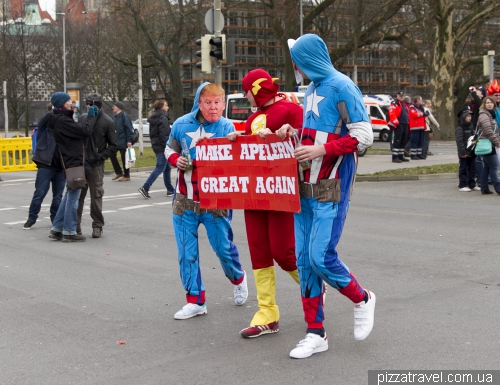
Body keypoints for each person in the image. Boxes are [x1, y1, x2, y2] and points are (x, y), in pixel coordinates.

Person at [277, 34, 375, 359]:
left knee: (320, 257)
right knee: (304, 262)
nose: (293, 65)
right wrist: (292, 134)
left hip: (331, 186)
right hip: (303, 186)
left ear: (307, 57)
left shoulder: (342, 85)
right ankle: (315, 332)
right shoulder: (312, 88)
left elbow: (363, 135)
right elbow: (317, 130)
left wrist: (322, 148)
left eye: (296, 58)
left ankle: (362, 299)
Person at [226, 68, 303, 338]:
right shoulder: (253, 118)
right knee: (259, 253)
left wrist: (292, 132)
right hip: (253, 193)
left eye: (247, 90)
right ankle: (267, 314)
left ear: (256, 88)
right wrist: (237, 140)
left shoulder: (291, 109)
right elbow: (248, 151)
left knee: (284, 253)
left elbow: (307, 141)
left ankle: (313, 286)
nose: (246, 96)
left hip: (281, 191)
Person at [165, 82, 248, 320]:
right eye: (208, 103)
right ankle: (195, 300)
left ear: (223, 103)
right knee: (186, 252)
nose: (213, 108)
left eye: (217, 103)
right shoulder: (181, 124)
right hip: (184, 200)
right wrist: (175, 160)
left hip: (216, 202)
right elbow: (168, 149)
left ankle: (238, 277)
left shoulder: (227, 126)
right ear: (199, 103)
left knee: (223, 248)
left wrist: (235, 146)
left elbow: (238, 161)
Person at [47, 92, 98, 242]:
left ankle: (56, 228)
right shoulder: (63, 121)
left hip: (69, 160)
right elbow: (85, 131)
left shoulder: (60, 119)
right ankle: (69, 231)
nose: (72, 103)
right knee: (74, 196)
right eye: (69, 101)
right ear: (62, 104)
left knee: (70, 194)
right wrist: (91, 117)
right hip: (73, 161)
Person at [76, 93, 118, 238]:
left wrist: (99, 157)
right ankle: (76, 225)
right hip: (81, 163)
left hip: (95, 164)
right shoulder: (83, 118)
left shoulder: (107, 122)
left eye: (89, 104)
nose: (87, 107)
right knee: (78, 195)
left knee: (96, 195)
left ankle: (97, 225)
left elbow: (113, 145)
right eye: (86, 104)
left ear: (97, 106)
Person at [24, 103, 66, 229]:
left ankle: (55, 219)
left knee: (58, 196)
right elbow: (45, 119)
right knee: (40, 193)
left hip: (60, 166)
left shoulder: (65, 128)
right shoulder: (44, 127)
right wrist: (56, 108)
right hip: (45, 164)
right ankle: (31, 218)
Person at [138, 99, 174, 198]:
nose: (168, 107)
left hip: (156, 145)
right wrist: (168, 146)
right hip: (163, 146)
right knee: (160, 167)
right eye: (166, 105)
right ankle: (145, 187)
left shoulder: (154, 117)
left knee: (167, 168)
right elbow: (164, 135)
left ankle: (170, 189)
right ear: (162, 107)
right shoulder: (163, 118)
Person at [476, 96, 500, 195]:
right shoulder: (484, 115)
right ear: (484, 104)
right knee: (494, 166)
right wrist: (497, 142)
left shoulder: (490, 114)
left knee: (487, 167)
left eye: (491, 103)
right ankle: (498, 188)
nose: (489, 104)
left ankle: (484, 188)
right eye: (487, 103)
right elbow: (488, 131)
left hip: (489, 143)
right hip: (487, 143)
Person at [110, 101, 134, 182]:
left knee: (124, 158)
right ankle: (119, 172)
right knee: (111, 154)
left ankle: (127, 175)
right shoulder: (114, 117)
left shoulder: (124, 116)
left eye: (114, 106)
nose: (113, 107)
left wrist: (129, 140)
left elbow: (129, 129)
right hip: (116, 141)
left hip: (124, 141)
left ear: (119, 107)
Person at [455, 110, 478, 192]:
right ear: (463, 117)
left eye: (470, 116)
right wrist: (463, 152)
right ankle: (462, 184)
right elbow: (459, 141)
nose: (469, 118)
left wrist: (474, 145)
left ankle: (472, 184)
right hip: (464, 152)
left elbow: (474, 138)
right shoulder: (460, 128)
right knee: (463, 168)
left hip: (471, 151)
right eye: (467, 116)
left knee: (472, 168)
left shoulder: (471, 126)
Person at [388, 91, 410, 163]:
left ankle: (400, 156)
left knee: (403, 141)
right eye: (400, 95)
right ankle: (395, 157)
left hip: (405, 124)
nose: (401, 97)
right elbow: (391, 113)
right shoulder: (395, 103)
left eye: (402, 96)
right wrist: (396, 122)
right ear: (397, 96)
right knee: (397, 141)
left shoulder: (403, 104)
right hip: (399, 124)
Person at [408, 95, 428, 160]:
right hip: (415, 127)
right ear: (417, 100)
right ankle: (413, 155)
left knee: (420, 141)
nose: (422, 101)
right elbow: (414, 114)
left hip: (421, 126)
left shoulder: (420, 107)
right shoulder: (412, 107)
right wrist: (423, 114)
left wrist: (424, 113)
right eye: (421, 99)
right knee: (414, 141)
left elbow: (421, 114)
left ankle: (419, 154)